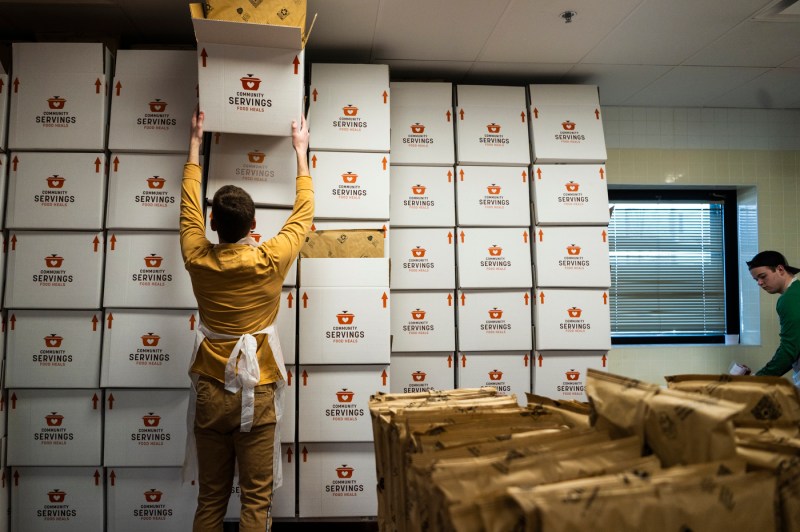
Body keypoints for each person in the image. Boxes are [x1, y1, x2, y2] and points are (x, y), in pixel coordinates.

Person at [180, 108, 313, 532]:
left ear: (212, 223)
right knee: (256, 501)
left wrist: (196, 142)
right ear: (254, 226)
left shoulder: (196, 256)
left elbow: (187, 205)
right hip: (257, 388)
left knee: (211, 500)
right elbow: (304, 212)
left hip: (210, 388)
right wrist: (300, 151)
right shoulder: (269, 259)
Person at [746, 250, 800, 382]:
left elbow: (789, 350)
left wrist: (758, 379)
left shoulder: (790, 298)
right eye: (756, 279)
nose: (759, 283)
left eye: (763, 276)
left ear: (780, 269)